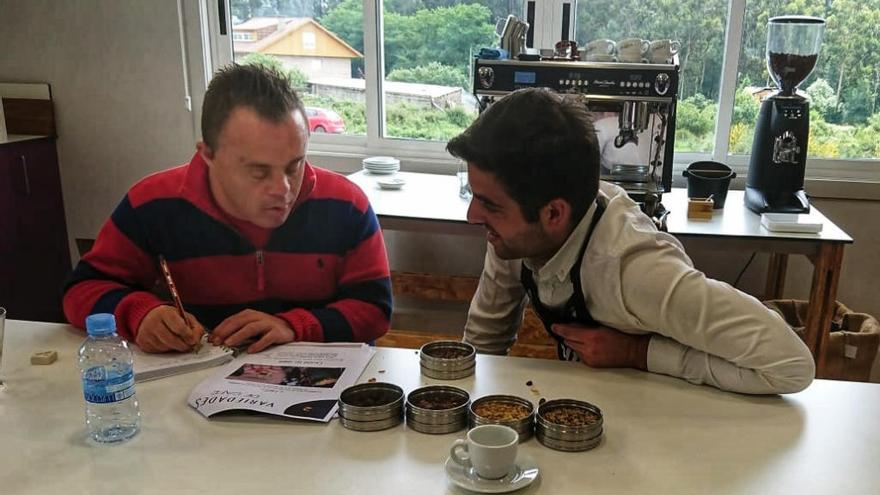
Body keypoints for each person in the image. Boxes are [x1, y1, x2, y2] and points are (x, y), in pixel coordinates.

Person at [447, 87, 814, 395]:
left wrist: (640, 353)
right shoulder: (516, 235)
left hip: (673, 419)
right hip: (596, 404)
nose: (472, 216)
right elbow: (484, 342)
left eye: (490, 205)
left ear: (553, 214)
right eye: (475, 197)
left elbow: (792, 366)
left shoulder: (636, 272)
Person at [63, 64, 391, 354]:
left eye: (295, 165)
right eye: (259, 172)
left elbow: (374, 311)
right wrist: (139, 313)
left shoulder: (346, 205)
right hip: (188, 392)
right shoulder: (153, 203)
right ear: (208, 155)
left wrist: (295, 326)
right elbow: (82, 291)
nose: (283, 189)